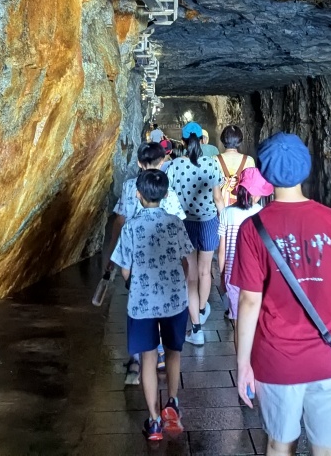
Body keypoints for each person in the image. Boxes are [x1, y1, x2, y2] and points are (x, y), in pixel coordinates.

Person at [232, 132, 331, 456]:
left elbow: (249, 301)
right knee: (330, 449)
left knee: (280, 446)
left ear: (264, 173)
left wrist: (243, 363)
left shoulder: (253, 229)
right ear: (305, 168)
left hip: (277, 360)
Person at [111, 169, 193, 441]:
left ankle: (154, 421)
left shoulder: (131, 227)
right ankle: (172, 402)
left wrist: (134, 284)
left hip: (141, 303)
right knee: (173, 351)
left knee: (148, 357)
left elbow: (124, 269)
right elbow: (185, 262)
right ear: (166, 194)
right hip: (173, 299)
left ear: (138, 194)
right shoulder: (175, 223)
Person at [105, 143, 186, 385]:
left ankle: (136, 359)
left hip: (134, 255)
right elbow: (177, 222)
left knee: (137, 308)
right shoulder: (166, 190)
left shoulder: (131, 186)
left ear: (139, 163)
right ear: (162, 162)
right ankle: (159, 352)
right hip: (163, 260)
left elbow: (119, 221)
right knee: (163, 307)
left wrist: (112, 254)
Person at [165, 132, 225, 345]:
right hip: (209, 222)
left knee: (190, 276)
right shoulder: (211, 164)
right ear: (202, 140)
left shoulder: (175, 166)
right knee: (205, 270)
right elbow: (218, 197)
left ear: (182, 141)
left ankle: (196, 328)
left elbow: (168, 195)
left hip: (185, 223)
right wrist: (224, 220)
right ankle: (202, 308)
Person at [216, 167, 272, 344]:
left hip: (233, 275)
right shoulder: (261, 214)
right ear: (256, 195)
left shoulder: (227, 213)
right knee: (257, 319)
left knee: (238, 322)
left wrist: (222, 275)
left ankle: (241, 361)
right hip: (256, 275)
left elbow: (222, 250)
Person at [217, 125, 255, 207]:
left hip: (220, 205)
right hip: (243, 205)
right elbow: (253, 187)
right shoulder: (249, 160)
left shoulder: (214, 160)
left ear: (222, 140)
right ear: (240, 140)